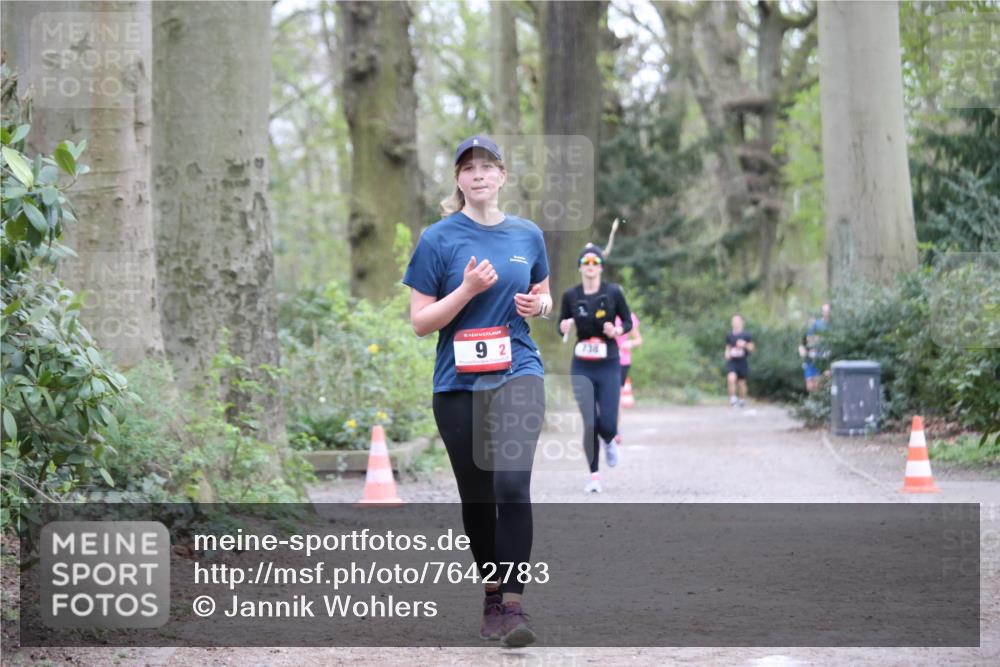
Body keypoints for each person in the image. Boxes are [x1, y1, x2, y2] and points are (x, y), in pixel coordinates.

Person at [403, 135, 551, 647]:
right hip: (458, 382)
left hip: (519, 371)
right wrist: (466, 290)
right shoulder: (438, 240)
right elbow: (421, 323)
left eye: (488, 166)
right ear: (459, 181)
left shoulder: (528, 234)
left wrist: (541, 306)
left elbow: (543, 291)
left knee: (511, 485)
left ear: (502, 176)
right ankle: (491, 596)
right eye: (469, 168)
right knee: (478, 496)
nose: (479, 175)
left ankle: (514, 606)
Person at [558, 243, 633, 493]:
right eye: (586, 262)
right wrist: (565, 326)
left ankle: (610, 440)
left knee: (608, 424)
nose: (590, 267)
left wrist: (618, 330)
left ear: (601, 267)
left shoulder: (613, 293)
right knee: (590, 422)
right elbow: (561, 322)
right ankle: (594, 477)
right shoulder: (571, 295)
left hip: (609, 362)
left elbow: (629, 321)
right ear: (580, 267)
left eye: (595, 263)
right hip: (582, 365)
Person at [616, 312, 642, 422]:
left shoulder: (628, 316)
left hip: (622, 361)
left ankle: (614, 431)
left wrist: (628, 343)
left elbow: (638, 340)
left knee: (617, 396)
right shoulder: (601, 313)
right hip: (603, 360)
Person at [799, 303, 831, 392]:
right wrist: (803, 350)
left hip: (823, 358)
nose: (826, 312)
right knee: (810, 385)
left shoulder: (833, 326)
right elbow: (806, 341)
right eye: (824, 311)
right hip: (811, 359)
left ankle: (818, 402)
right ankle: (813, 403)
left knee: (819, 384)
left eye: (828, 311)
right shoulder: (816, 324)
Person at [724, 314, 755, 407]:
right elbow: (728, 346)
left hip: (742, 361)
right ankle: (733, 399)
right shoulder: (729, 335)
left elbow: (752, 348)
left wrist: (744, 344)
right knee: (731, 378)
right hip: (732, 361)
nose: (735, 323)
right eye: (733, 321)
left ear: (741, 322)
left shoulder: (746, 334)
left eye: (737, 321)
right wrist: (726, 353)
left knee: (741, 383)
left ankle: (742, 399)